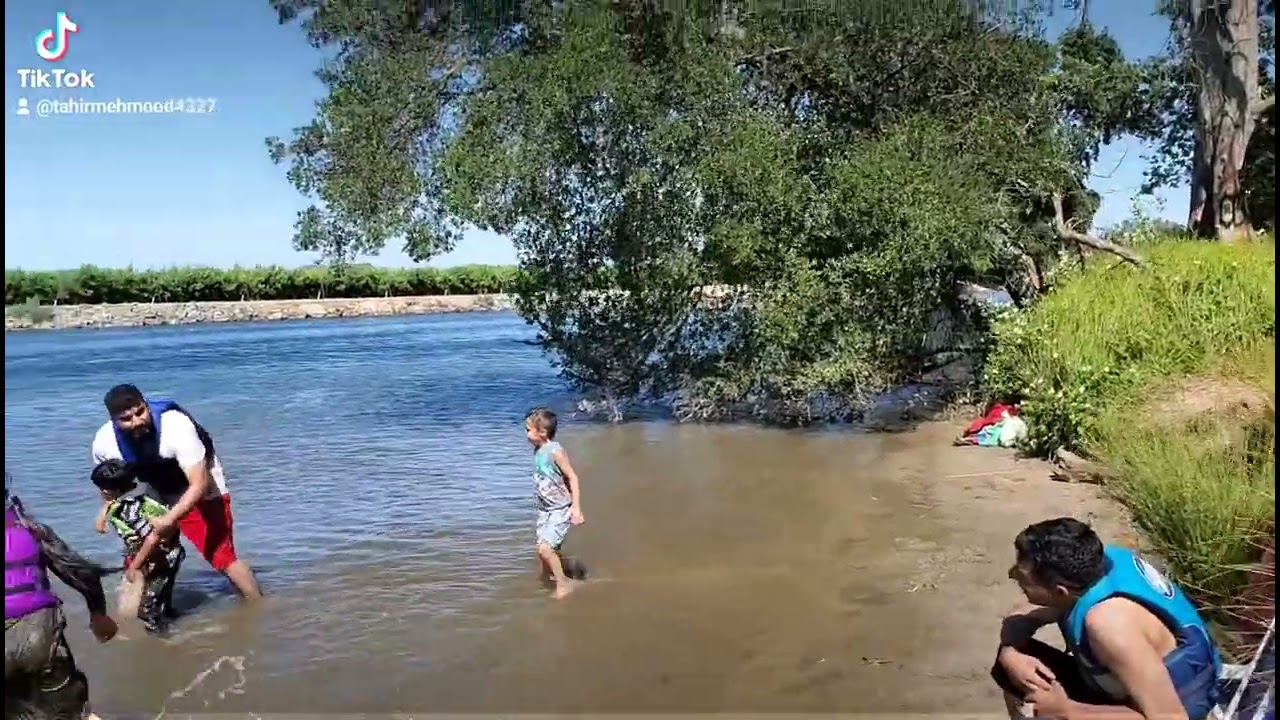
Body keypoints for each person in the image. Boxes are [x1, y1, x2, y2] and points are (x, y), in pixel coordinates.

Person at [993, 517, 1222, 720]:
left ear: (1059, 591)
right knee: (1015, 673)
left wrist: (1069, 711)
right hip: (1130, 686)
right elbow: (1020, 618)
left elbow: (1171, 717)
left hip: (1176, 705)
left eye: (1022, 577)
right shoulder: (1095, 567)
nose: (1011, 575)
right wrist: (1011, 654)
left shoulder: (1109, 626)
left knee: (1047, 712)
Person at [90, 384, 262, 599]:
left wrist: (169, 519)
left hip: (200, 481)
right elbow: (110, 482)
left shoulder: (176, 426)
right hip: (152, 482)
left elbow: (198, 484)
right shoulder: (104, 442)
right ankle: (137, 620)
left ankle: (257, 605)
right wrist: (106, 510)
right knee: (141, 557)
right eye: (126, 419)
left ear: (146, 405)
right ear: (114, 421)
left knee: (220, 555)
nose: (137, 421)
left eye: (140, 412)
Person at [6, 476, 118, 720]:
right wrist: (98, 615)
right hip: (40, 637)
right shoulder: (31, 529)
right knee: (75, 713)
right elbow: (82, 573)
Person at [91, 459, 186, 635]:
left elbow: (152, 539)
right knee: (160, 596)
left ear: (111, 490)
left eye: (101, 488)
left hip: (163, 555)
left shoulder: (131, 508)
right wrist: (106, 511)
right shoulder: (126, 497)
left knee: (146, 608)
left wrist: (134, 567)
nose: (100, 492)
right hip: (153, 553)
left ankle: (165, 640)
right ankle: (170, 619)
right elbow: (99, 528)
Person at [524, 407, 586, 599]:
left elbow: (573, 477)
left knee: (545, 548)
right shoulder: (538, 449)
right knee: (542, 549)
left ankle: (563, 584)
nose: (526, 434)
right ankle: (548, 576)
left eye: (528, 429)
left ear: (542, 432)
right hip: (545, 510)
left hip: (561, 509)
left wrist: (576, 508)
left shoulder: (555, 452)